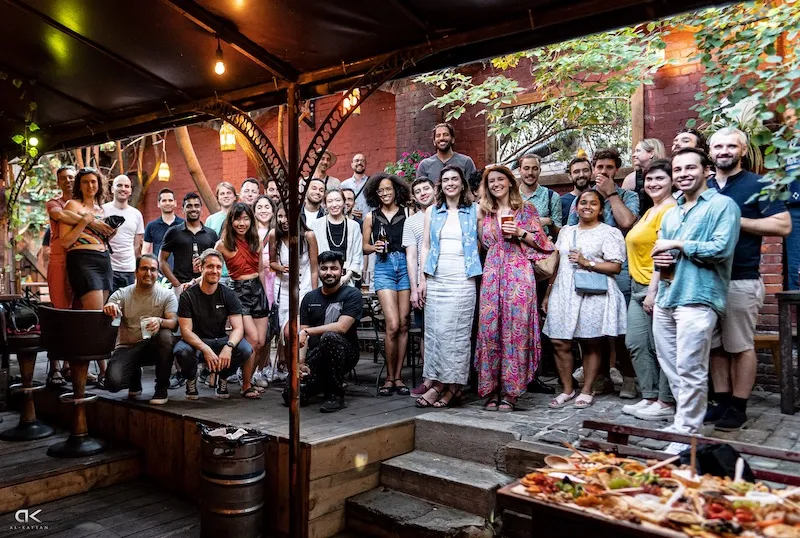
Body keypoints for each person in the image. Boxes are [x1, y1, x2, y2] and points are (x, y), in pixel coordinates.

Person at [651, 148, 740, 447]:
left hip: (699, 296)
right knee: (672, 366)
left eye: (690, 168)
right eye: (678, 169)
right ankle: (686, 422)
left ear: (706, 171)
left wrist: (677, 244)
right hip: (667, 296)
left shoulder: (722, 206)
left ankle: (687, 434)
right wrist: (661, 260)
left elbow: (721, 249)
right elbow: (664, 258)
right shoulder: (672, 213)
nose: (683, 174)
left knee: (691, 367)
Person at [706, 127, 792, 431]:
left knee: (740, 346)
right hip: (705, 280)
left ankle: (739, 407)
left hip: (740, 278)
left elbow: (783, 225)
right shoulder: (703, 186)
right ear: (710, 152)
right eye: (718, 146)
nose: (724, 151)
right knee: (715, 347)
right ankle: (722, 402)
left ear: (743, 150)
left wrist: (735, 220)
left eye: (731, 146)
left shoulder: (759, 184)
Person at [475, 165, 554, 412]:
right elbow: (480, 244)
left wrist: (520, 232)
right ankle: (491, 389)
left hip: (518, 272)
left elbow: (543, 243)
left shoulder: (526, 209)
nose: (496, 184)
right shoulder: (485, 212)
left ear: (510, 181)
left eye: (500, 179)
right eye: (491, 181)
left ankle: (511, 392)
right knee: (490, 329)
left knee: (515, 329)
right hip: (492, 272)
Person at [543, 189, 627, 409]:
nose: (587, 206)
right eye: (583, 202)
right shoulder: (566, 231)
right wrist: (548, 293)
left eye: (593, 203)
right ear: (576, 207)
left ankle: (587, 389)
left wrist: (586, 262)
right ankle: (568, 389)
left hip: (592, 292)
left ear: (601, 210)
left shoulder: (608, 233)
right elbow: (557, 264)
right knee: (559, 341)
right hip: (563, 290)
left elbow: (616, 267)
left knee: (590, 342)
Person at [567, 149, 639, 397]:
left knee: (621, 329)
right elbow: (571, 233)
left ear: (616, 170)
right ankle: (602, 377)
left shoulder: (628, 196)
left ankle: (629, 377)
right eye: (600, 167)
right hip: (586, 272)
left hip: (620, 271)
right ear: (593, 169)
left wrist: (611, 194)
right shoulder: (583, 199)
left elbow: (627, 222)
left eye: (609, 167)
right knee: (592, 329)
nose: (604, 172)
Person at [415, 166, 481, 408]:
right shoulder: (432, 211)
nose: (450, 183)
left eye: (455, 179)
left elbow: (484, 240)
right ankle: (440, 383)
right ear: (440, 185)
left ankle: (452, 387)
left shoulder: (475, 210)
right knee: (436, 334)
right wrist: (422, 279)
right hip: (436, 277)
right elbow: (425, 246)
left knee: (457, 334)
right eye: (445, 180)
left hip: (463, 278)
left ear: (462, 184)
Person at [622, 160, 677, 420]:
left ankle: (666, 401)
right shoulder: (651, 210)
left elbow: (665, 254)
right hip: (637, 285)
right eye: (650, 179)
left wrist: (654, 291)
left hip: (657, 286)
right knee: (636, 343)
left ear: (672, 182)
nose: (654, 184)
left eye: (660, 179)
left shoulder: (670, 210)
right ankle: (650, 396)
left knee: (661, 346)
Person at [59, 168, 114, 386]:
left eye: (93, 182)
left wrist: (111, 231)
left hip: (103, 259)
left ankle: (100, 370)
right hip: (82, 259)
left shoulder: (102, 209)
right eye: (85, 182)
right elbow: (65, 241)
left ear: (99, 185)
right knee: (95, 316)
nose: (90, 186)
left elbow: (103, 237)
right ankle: (102, 370)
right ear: (79, 185)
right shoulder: (72, 205)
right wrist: (84, 221)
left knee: (103, 315)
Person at [174, 249, 253, 400]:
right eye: (210, 266)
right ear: (201, 268)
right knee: (181, 350)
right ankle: (191, 378)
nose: (214, 271)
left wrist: (228, 347)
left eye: (218, 267)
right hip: (196, 341)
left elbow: (238, 328)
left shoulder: (228, 294)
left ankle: (223, 378)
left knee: (245, 349)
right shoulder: (188, 295)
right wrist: (205, 349)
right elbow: (185, 331)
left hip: (220, 339)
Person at [103, 254, 178, 405]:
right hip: (127, 346)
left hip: (153, 346)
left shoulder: (167, 295)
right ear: (136, 272)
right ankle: (134, 375)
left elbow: (174, 323)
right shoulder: (122, 294)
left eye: (153, 269)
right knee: (112, 383)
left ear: (158, 273)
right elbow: (111, 306)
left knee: (166, 336)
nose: (148, 273)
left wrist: (160, 321)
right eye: (144, 269)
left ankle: (161, 388)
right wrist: (109, 307)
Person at [362, 172, 413, 397]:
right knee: (392, 324)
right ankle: (389, 377)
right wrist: (374, 247)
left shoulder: (408, 213)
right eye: (380, 190)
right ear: (375, 193)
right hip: (383, 267)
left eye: (388, 189)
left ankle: (398, 377)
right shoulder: (371, 217)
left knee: (403, 324)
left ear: (396, 190)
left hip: (405, 267)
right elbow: (364, 246)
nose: (384, 193)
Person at [214, 203, 269, 399]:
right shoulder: (222, 244)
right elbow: (211, 266)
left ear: (251, 221)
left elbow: (260, 270)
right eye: (237, 219)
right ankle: (245, 385)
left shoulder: (256, 240)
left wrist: (266, 295)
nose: (242, 223)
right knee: (252, 338)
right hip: (238, 292)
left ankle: (248, 379)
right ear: (231, 221)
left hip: (258, 290)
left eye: (246, 219)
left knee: (260, 342)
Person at [297, 251, 363, 412]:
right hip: (317, 354)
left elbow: (341, 327)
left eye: (334, 268)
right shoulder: (309, 298)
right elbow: (302, 336)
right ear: (318, 271)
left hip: (346, 352)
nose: (328, 273)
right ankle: (322, 382)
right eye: (324, 268)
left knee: (330, 337)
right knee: (290, 395)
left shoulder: (352, 294)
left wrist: (308, 332)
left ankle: (335, 395)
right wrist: (301, 362)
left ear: (342, 271)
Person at [270, 203, 319, 357]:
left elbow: (314, 268)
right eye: (280, 216)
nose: (284, 220)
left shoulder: (308, 236)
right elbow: (271, 263)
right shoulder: (274, 235)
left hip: (304, 287)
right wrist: (280, 267)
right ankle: (289, 364)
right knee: (285, 333)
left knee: (295, 330)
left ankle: (299, 363)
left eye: (288, 216)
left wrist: (314, 293)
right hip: (283, 288)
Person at [403, 177, 436, 396]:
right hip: (423, 283)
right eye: (418, 191)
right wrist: (414, 288)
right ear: (414, 197)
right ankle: (428, 378)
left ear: (434, 190)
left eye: (426, 188)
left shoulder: (446, 213)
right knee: (426, 332)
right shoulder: (411, 222)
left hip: (448, 280)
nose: (423, 193)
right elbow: (411, 256)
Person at [159, 193, 219, 293]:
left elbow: (217, 261)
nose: (193, 209)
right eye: (189, 206)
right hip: (181, 286)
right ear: (183, 209)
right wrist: (176, 284)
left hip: (206, 286)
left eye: (196, 206)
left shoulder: (211, 234)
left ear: (201, 209)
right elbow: (162, 260)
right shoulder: (174, 232)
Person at [309, 189, 363, 286]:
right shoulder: (316, 225)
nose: (334, 205)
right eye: (330, 201)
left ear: (344, 202)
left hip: (347, 278)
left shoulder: (354, 226)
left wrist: (346, 277)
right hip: (323, 279)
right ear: (325, 205)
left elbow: (357, 255)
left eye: (338, 200)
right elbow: (312, 257)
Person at [102, 175, 145, 292]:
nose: (123, 189)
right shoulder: (102, 210)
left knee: (127, 302)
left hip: (129, 269)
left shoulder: (136, 214)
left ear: (130, 190)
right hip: (108, 268)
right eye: (119, 185)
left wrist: (137, 270)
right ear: (112, 189)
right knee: (108, 302)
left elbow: (137, 246)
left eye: (126, 186)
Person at [253, 195, 277, 386]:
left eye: (267, 206)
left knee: (271, 327)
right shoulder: (251, 233)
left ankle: (265, 366)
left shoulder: (277, 231)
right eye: (259, 207)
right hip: (256, 282)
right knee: (258, 330)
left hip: (275, 281)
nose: (263, 210)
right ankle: (251, 368)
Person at [518, 153, 562, 238]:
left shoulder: (552, 196)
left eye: (534, 168)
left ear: (540, 171)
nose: (530, 173)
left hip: (544, 244)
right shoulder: (511, 196)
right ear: (519, 170)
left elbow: (560, 233)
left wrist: (549, 222)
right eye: (526, 168)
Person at [622, 139, 667, 217]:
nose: (633, 155)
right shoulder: (631, 179)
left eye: (638, 151)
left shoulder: (668, 174)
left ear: (651, 154)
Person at [143, 188, 184, 270]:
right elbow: (145, 251)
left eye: (170, 200)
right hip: (158, 272)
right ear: (158, 204)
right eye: (164, 200)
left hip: (180, 272)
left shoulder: (184, 224)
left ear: (175, 203)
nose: (167, 203)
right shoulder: (151, 226)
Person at [205, 182, 237, 287]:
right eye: (222, 193)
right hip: (217, 272)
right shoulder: (211, 220)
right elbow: (207, 245)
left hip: (237, 272)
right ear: (218, 198)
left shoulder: (240, 218)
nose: (226, 196)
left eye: (229, 193)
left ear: (234, 197)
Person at [340, 153, 371, 220]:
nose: (359, 163)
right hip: (349, 221)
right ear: (352, 165)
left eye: (362, 161)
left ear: (366, 164)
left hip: (368, 222)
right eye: (357, 161)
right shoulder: (344, 185)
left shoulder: (371, 183)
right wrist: (349, 210)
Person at [561, 156, 592, 222]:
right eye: (576, 172)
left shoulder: (599, 198)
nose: (581, 175)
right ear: (570, 176)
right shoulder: (561, 202)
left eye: (585, 170)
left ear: (591, 173)